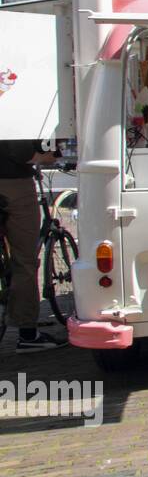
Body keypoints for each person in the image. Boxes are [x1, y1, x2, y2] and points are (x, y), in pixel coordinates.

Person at [0, 140, 64, 351]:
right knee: (24, 261)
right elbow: (22, 151)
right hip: (14, 185)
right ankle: (27, 334)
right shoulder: (19, 112)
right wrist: (50, 153)